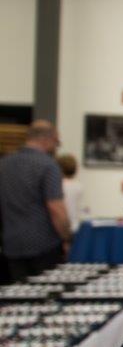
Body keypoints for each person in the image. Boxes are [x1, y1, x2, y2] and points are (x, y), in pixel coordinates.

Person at [0, 120, 73, 281]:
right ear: (46, 139)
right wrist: (67, 238)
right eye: (56, 142)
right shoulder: (48, 166)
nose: (56, 147)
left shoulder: (4, 164)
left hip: (11, 246)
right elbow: (56, 208)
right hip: (43, 248)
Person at [56, 153, 88, 236]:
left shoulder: (57, 185)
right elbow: (83, 209)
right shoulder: (79, 186)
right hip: (76, 227)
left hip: (62, 228)